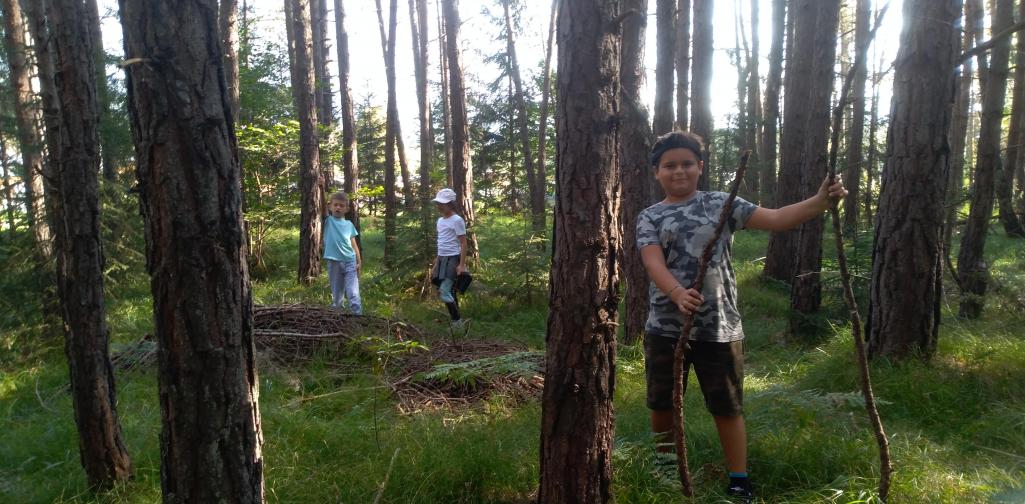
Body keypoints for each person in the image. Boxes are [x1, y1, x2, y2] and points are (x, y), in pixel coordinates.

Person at [636, 131, 847, 501]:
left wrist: (819, 201)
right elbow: (652, 260)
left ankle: (739, 478)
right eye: (669, 165)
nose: (679, 171)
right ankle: (665, 468)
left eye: (687, 163)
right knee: (663, 402)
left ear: (700, 167)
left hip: (720, 328)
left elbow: (778, 218)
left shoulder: (723, 203)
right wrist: (675, 293)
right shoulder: (650, 216)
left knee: (727, 406)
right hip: (665, 329)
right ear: (657, 172)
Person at [430, 188, 469, 332]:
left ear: (451, 204)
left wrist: (461, 265)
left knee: (444, 291)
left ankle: (458, 322)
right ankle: (456, 323)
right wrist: (436, 264)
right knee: (449, 292)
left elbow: (464, 243)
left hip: (453, 259)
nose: (439, 206)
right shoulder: (440, 221)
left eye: (442, 204)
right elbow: (441, 244)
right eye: (438, 203)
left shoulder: (457, 220)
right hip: (442, 259)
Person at [323, 192, 362, 315]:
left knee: (353, 292)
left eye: (341, 205)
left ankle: (357, 318)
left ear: (346, 209)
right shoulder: (328, 221)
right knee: (337, 294)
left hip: (350, 261)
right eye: (335, 205)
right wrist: (321, 186)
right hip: (334, 262)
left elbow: (353, 244)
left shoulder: (349, 224)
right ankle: (338, 319)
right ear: (330, 207)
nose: (338, 208)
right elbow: (321, 206)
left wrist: (359, 260)